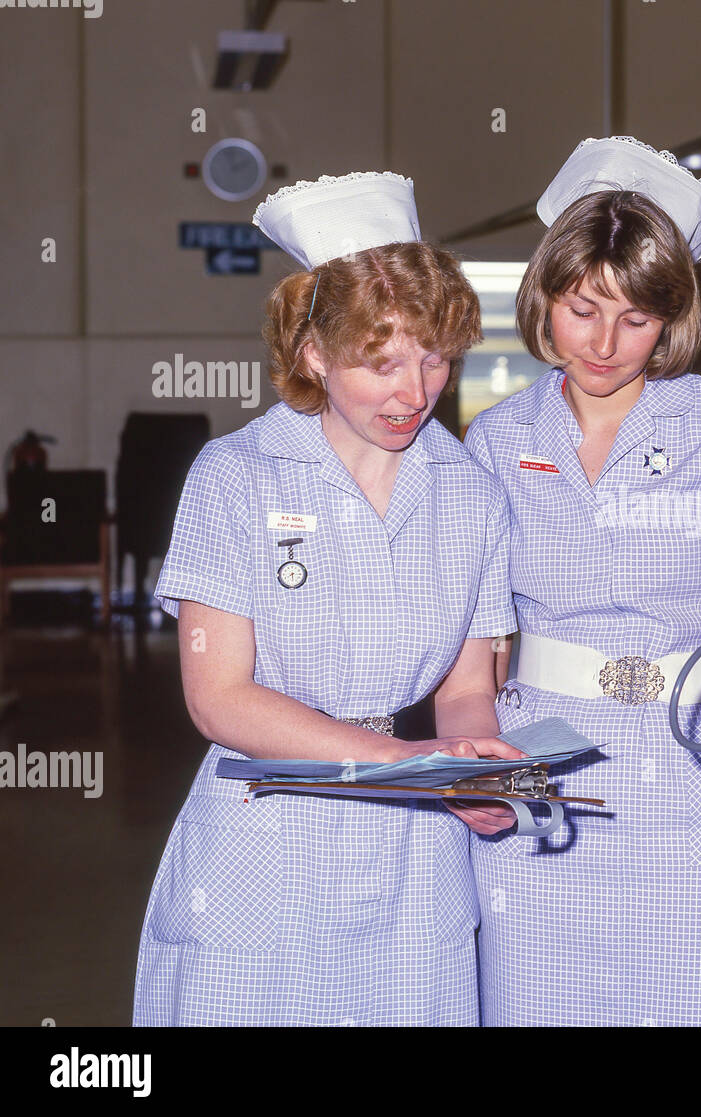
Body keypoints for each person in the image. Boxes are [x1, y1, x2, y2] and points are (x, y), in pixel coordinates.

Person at [133, 171, 522, 1026]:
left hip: (414, 857)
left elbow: (463, 689)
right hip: (264, 829)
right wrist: (404, 766)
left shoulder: (471, 492)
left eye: (433, 358)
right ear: (312, 353)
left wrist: (476, 769)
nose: (414, 392)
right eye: (379, 363)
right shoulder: (234, 477)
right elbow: (218, 696)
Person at [465, 136, 701, 1025]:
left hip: (698, 762)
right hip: (544, 754)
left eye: (635, 318)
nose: (605, 343)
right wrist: (473, 756)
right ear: (545, 297)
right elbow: (472, 638)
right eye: (583, 309)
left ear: (672, 316)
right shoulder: (497, 438)